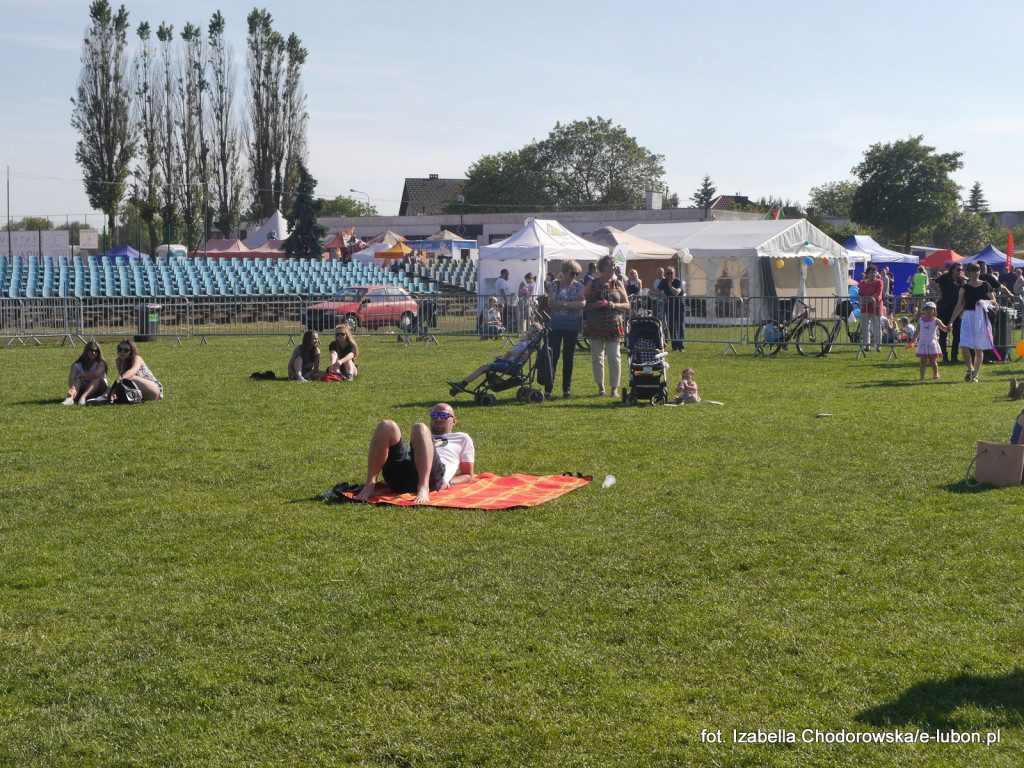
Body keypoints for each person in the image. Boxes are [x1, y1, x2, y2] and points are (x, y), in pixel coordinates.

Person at [353, 403, 474, 504]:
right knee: (386, 425)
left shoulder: (462, 438)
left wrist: (450, 482)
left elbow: (468, 475)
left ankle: (423, 487)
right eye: (434, 415)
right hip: (403, 477)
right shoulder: (424, 434)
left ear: (454, 421)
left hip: (433, 477)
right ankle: (370, 485)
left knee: (419, 427)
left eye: (443, 415)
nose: (438, 418)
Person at [583, 254, 629, 397]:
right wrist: (594, 305)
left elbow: (627, 305)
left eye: (615, 266)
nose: (614, 268)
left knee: (614, 357)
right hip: (595, 325)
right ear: (603, 268)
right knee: (597, 357)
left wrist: (614, 304)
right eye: (611, 266)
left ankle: (614, 388)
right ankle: (601, 388)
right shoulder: (592, 283)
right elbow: (584, 304)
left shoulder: (618, 283)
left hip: (613, 325)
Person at [449, 323, 542, 392]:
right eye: (529, 330)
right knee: (484, 367)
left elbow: (525, 356)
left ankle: (463, 384)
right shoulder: (523, 341)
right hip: (508, 363)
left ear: (535, 335)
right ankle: (462, 384)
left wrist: (509, 352)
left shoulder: (529, 344)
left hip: (511, 366)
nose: (530, 332)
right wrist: (502, 357)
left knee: (484, 367)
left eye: (533, 332)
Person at [949, 261, 996, 383]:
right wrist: (951, 322)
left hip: (980, 317)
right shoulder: (964, 288)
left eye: (978, 271)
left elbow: (994, 301)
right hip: (967, 316)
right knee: (964, 344)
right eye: (973, 271)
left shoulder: (985, 285)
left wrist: (982, 302)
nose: (976, 274)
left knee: (978, 347)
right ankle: (970, 368)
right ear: (968, 273)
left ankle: (975, 375)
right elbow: (959, 305)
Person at [545, 259, 586, 399]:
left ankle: (566, 390)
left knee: (568, 358)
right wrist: (571, 304)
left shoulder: (579, 285)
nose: (575, 276)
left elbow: (582, 304)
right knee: (553, 357)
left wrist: (563, 303)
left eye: (577, 273)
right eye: (572, 273)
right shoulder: (554, 285)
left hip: (572, 327)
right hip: (556, 326)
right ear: (565, 272)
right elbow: (551, 304)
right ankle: (548, 388)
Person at [934, 262, 964, 363]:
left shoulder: (961, 281)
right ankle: (944, 356)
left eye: (961, 270)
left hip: (956, 308)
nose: (960, 272)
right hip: (944, 307)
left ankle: (954, 356)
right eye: (958, 269)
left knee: (957, 333)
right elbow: (931, 281)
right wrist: (939, 292)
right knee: (943, 332)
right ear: (952, 270)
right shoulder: (945, 277)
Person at [62, 341, 109, 405]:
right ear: (86, 350)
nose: (93, 353)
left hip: (100, 389)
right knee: (77, 379)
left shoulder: (101, 363)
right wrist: (72, 387)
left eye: (96, 351)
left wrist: (81, 375)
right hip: (83, 388)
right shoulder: (77, 364)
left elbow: (96, 374)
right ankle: (69, 398)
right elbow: (72, 377)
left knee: (96, 378)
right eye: (91, 350)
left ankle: (83, 398)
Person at [911, 301, 948, 382]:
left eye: (931, 309)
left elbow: (944, 328)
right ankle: (922, 376)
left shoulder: (936, 321)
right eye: (926, 309)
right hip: (923, 342)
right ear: (923, 311)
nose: (928, 311)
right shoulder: (920, 320)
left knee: (932, 360)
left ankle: (935, 373)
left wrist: (947, 328)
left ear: (934, 311)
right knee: (923, 360)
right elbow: (917, 331)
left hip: (931, 342)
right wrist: (912, 341)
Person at [658, 266, 685, 351]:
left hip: (679, 306)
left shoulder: (678, 282)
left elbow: (676, 292)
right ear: (665, 274)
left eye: (671, 273)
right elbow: (655, 291)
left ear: (674, 274)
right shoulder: (663, 281)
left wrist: (670, 285)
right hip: (669, 306)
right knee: (672, 326)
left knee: (680, 327)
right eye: (667, 273)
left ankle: (681, 347)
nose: (669, 275)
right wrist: (662, 294)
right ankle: (675, 347)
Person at [857, 265, 884, 351]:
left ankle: (878, 345)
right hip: (865, 308)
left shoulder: (879, 282)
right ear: (867, 274)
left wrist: (867, 301)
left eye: (874, 272)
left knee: (877, 326)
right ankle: (867, 345)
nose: (873, 274)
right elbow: (860, 294)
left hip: (876, 306)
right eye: (871, 272)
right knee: (864, 326)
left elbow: (877, 294)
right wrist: (862, 301)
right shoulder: (862, 283)